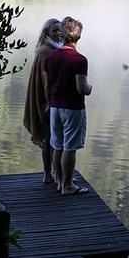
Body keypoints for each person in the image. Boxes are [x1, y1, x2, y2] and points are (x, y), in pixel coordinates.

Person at [45, 17, 93, 196]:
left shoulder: (51, 57)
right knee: (69, 147)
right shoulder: (79, 59)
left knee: (57, 145)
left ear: (64, 35)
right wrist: (89, 89)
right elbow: (82, 88)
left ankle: (59, 182)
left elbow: (49, 84)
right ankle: (67, 186)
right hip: (72, 108)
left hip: (55, 106)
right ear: (78, 36)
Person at [23, 18, 63, 184]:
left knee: (53, 139)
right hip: (46, 103)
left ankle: (54, 172)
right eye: (54, 30)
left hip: (50, 101)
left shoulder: (51, 49)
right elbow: (47, 81)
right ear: (46, 32)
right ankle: (49, 174)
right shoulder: (46, 51)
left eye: (60, 30)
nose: (58, 33)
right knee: (50, 139)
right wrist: (49, 104)